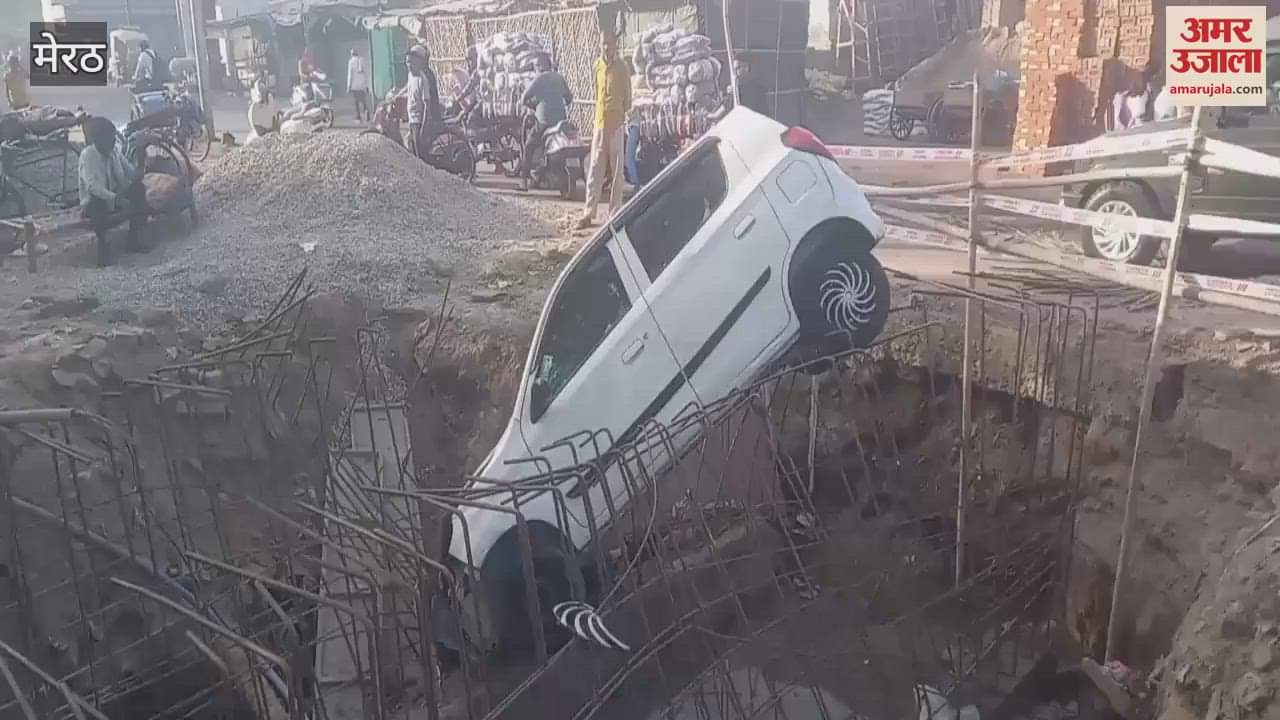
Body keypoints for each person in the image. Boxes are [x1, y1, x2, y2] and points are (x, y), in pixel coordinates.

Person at [577, 31, 630, 230]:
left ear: (615, 45)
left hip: (616, 124)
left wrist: (619, 113)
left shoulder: (622, 68)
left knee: (617, 171)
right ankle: (588, 213)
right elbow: (596, 92)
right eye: (603, 44)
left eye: (609, 43)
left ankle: (614, 214)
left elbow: (628, 98)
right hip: (599, 123)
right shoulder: (597, 66)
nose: (606, 47)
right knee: (595, 168)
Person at [78, 116, 146, 267]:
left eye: (114, 137)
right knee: (97, 204)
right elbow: (93, 187)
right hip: (95, 203)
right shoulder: (88, 156)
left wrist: (141, 161)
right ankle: (103, 248)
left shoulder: (114, 151)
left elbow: (131, 174)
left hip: (116, 197)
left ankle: (134, 239)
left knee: (138, 189)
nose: (114, 141)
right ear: (99, 140)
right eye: (110, 138)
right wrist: (115, 198)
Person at [517, 53, 573, 191]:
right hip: (561, 122)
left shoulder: (539, 79)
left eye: (536, 66)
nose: (535, 69)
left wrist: (534, 106)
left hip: (544, 122)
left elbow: (523, 99)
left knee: (529, 147)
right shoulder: (559, 77)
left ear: (540, 66)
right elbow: (569, 98)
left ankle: (523, 181)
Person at [404, 44, 442, 162]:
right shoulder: (412, 75)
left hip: (425, 118)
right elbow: (408, 88)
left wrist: (426, 122)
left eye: (412, 60)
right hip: (414, 118)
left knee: (420, 154)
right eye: (408, 61)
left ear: (420, 60)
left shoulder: (425, 76)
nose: (409, 64)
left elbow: (427, 103)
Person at [347, 48, 370, 123]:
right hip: (362, 85)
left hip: (354, 86)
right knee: (363, 100)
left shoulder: (351, 62)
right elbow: (366, 73)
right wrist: (367, 85)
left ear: (351, 54)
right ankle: (366, 112)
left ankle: (358, 117)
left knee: (356, 102)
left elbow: (350, 75)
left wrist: (348, 86)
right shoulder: (362, 60)